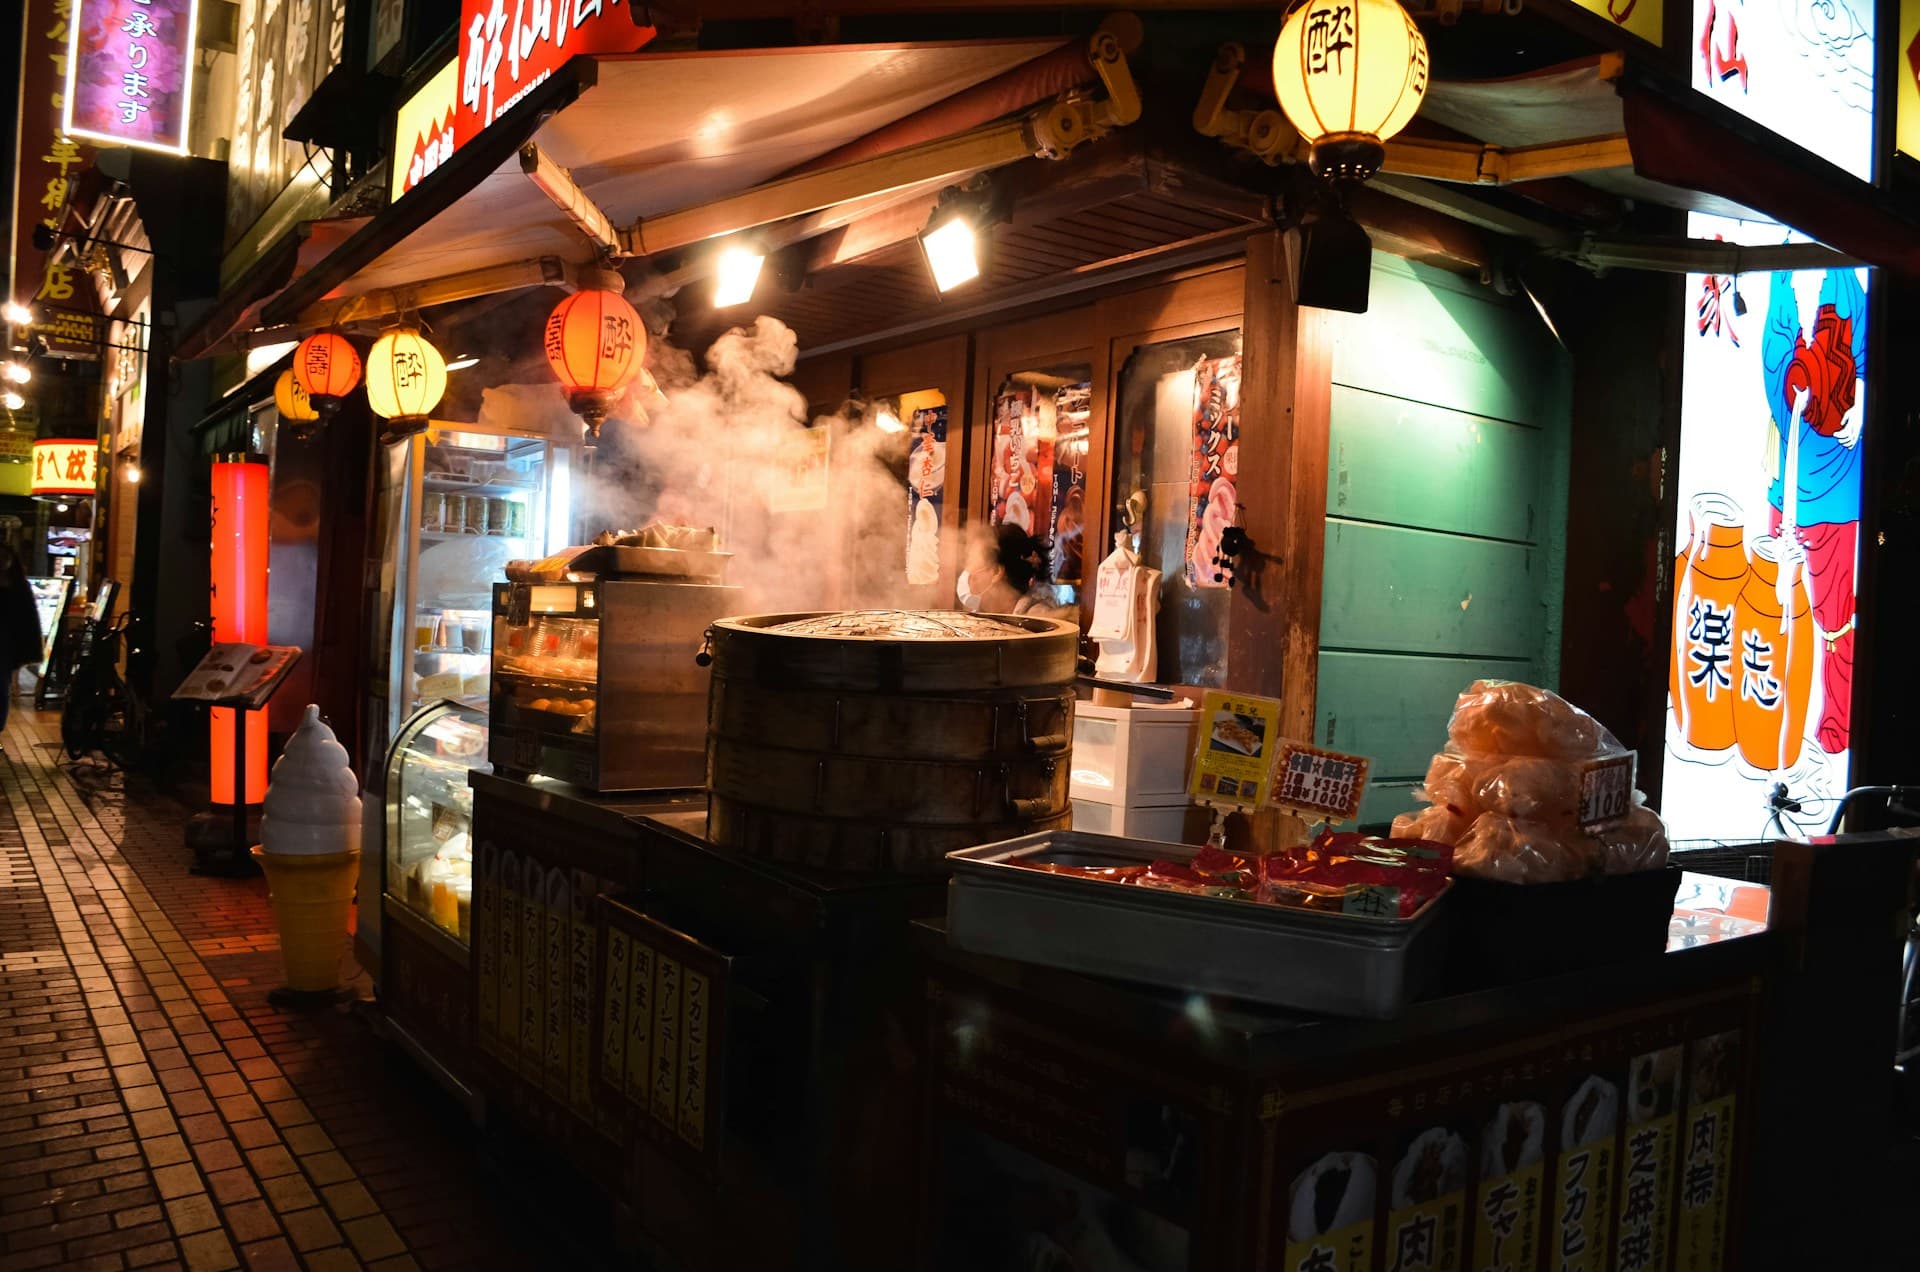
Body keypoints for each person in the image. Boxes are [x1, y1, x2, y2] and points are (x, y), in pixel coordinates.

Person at [0, 547, 42, 736]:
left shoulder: (18, 586)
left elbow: (27, 618)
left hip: (6, 646)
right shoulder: (18, 585)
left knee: (1, 688)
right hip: (7, 645)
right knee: (1, 688)